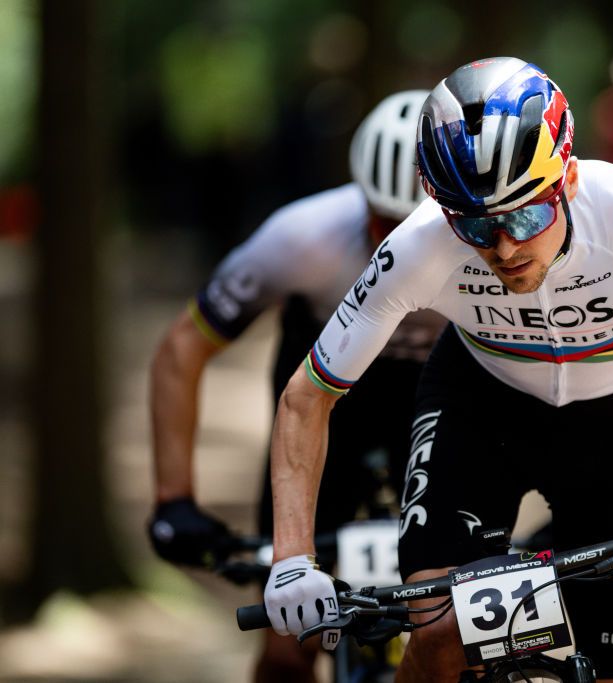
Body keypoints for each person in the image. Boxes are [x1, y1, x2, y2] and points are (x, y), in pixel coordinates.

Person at [262, 57, 613, 683]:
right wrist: (292, 558)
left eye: (524, 216)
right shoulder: (419, 245)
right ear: (441, 205)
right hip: (479, 412)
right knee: (440, 634)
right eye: (477, 226)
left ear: (566, 177)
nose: (504, 248)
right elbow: (307, 396)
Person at [146, 90, 445, 682]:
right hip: (325, 419)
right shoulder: (302, 237)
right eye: (382, 222)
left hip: (438, 413)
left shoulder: (494, 251)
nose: (396, 244)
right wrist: (173, 499)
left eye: (418, 227)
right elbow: (183, 347)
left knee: (449, 634)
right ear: (358, 196)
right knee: (288, 650)